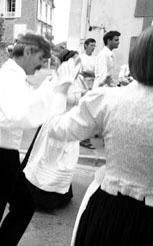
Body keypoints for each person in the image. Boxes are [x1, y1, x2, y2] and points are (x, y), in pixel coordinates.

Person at [0, 33, 78, 245]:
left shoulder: (13, 76)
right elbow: (21, 115)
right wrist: (57, 89)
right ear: (27, 52)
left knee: (23, 206)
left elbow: (28, 105)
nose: (42, 66)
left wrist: (54, 86)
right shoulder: (10, 78)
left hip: (3, 154)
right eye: (41, 60)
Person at [48, 26, 153, 245]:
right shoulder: (106, 95)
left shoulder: (109, 100)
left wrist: (60, 90)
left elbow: (57, 128)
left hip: (110, 212)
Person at [23, 49, 81, 211]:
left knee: (64, 162)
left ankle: (60, 195)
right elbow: (49, 101)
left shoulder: (79, 80)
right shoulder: (55, 79)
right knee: (47, 160)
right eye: (74, 62)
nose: (77, 65)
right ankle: (41, 197)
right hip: (55, 124)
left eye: (79, 62)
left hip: (71, 127)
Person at [78, 38, 97, 150]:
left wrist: (92, 74)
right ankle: (84, 139)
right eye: (91, 45)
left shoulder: (95, 59)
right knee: (85, 114)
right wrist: (91, 74)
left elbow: (97, 73)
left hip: (92, 88)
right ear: (85, 46)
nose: (93, 48)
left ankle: (86, 138)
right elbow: (81, 73)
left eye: (94, 45)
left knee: (91, 114)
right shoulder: (81, 58)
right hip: (83, 88)